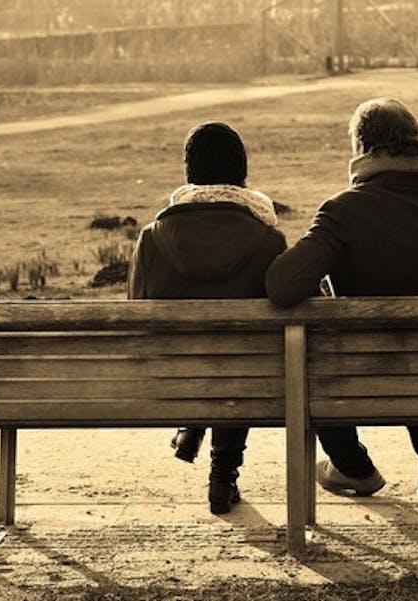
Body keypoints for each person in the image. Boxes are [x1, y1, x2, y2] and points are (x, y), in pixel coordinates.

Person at [265, 98, 418, 512]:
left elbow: (281, 285)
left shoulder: (344, 210)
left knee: (312, 353)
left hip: (357, 374)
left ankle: (354, 467)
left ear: (364, 148)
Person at [127, 121, 287, 514]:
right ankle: (223, 476)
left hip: (172, 376)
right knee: (239, 358)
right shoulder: (269, 238)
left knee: (207, 356)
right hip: (247, 377)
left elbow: (135, 309)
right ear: (242, 173)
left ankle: (193, 423)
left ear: (189, 173)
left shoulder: (152, 237)